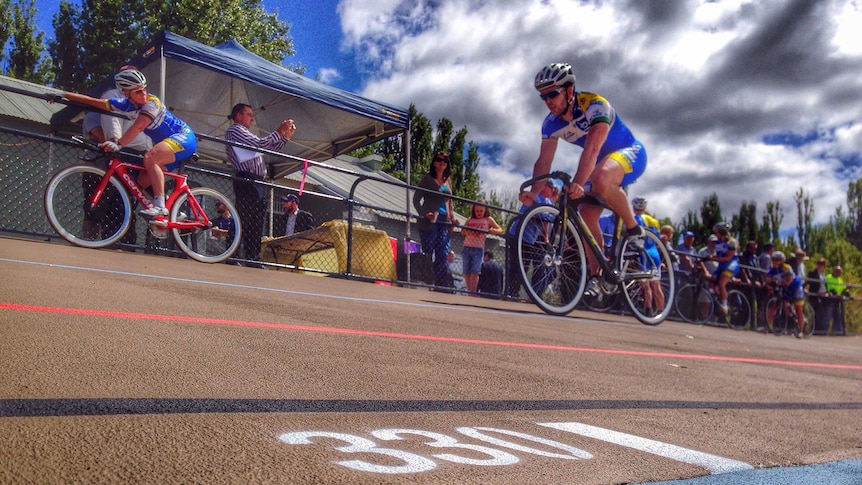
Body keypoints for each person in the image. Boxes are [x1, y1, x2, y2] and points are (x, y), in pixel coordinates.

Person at [529, 62, 647, 299]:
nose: (548, 100)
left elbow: (592, 149)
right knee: (586, 213)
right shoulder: (550, 124)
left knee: (602, 177)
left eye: (553, 93)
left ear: (569, 90)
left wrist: (579, 183)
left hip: (630, 152)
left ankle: (635, 230)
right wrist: (533, 194)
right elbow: (544, 161)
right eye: (544, 96)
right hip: (603, 161)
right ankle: (598, 275)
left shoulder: (595, 105)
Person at [58, 69, 196, 220]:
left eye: (144, 89)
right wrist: (64, 95)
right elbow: (96, 103)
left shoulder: (152, 102)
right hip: (170, 146)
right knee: (142, 181)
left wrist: (119, 144)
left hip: (183, 137)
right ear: (126, 93)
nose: (143, 94)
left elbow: (138, 127)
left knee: (150, 157)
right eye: (137, 91)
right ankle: (175, 212)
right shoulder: (126, 105)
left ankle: (160, 207)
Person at [80, 65, 153, 248]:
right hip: (100, 163)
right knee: (95, 207)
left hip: (128, 158)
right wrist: (115, 143)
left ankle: (122, 243)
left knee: (125, 202)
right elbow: (97, 130)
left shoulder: (142, 102)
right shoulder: (111, 98)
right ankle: (88, 243)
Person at [226, 103, 297, 267]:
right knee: (244, 216)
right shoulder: (235, 130)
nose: (252, 118)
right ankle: (233, 254)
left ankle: (252, 257)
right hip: (246, 178)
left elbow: (268, 148)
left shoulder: (246, 134)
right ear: (238, 116)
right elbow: (261, 144)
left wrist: (285, 136)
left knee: (256, 220)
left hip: (256, 180)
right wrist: (280, 130)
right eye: (249, 114)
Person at [413, 151, 460, 287]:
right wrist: (424, 213)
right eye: (439, 160)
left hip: (444, 221)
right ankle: (427, 281)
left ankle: (439, 283)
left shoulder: (447, 180)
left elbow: (449, 203)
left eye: (445, 161)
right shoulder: (427, 179)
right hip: (431, 220)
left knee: (442, 252)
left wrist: (452, 219)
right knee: (428, 251)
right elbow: (416, 199)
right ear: (434, 162)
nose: (442, 163)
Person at [505, 180, 558, 299]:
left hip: (531, 240)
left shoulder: (548, 202)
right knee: (516, 266)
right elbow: (534, 213)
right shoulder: (535, 196)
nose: (553, 190)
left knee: (525, 267)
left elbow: (550, 219)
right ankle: (510, 293)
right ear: (544, 186)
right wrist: (547, 215)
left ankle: (516, 294)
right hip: (519, 236)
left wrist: (546, 238)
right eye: (551, 187)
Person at [461, 200, 503, 294]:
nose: (479, 213)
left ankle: (473, 291)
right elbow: (463, 230)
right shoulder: (469, 219)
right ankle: (469, 291)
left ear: (485, 210)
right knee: (467, 270)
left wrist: (493, 230)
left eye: (481, 211)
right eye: (477, 211)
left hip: (478, 248)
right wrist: (471, 232)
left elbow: (500, 229)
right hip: (467, 246)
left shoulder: (488, 219)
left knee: (475, 271)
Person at [706, 222, 739, 316]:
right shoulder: (718, 242)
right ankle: (718, 297)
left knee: (721, 284)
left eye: (716, 232)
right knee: (711, 283)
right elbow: (719, 254)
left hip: (731, 265)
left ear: (721, 232)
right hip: (721, 265)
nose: (715, 234)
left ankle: (724, 305)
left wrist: (713, 258)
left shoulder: (732, 242)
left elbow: (728, 257)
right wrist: (711, 257)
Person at [767, 266, 807, 338]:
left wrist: (783, 283)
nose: (786, 278)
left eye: (788, 277)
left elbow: (788, 282)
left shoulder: (795, 281)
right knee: (776, 304)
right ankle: (768, 325)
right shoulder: (782, 275)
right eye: (786, 277)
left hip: (797, 290)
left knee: (798, 310)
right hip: (787, 290)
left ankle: (801, 331)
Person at [807, 257, 829, 335]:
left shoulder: (824, 275)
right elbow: (808, 283)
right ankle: (813, 330)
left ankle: (820, 331)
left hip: (823, 297)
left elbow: (825, 285)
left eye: (822, 264)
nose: (820, 265)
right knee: (814, 313)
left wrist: (827, 292)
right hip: (815, 296)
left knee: (821, 314)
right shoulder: (812, 273)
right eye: (819, 263)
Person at [825, 265, 847, 335]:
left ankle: (837, 334)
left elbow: (844, 288)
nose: (838, 272)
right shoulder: (829, 277)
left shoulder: (840, 280)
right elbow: (828, 287)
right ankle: (824, 332)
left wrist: (846, 294)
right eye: (837, 271)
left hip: (837, 302)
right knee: (827, 318)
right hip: (830, 301)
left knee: (837, 319)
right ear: (833, 271)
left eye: (839, 271)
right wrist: (834, 293)